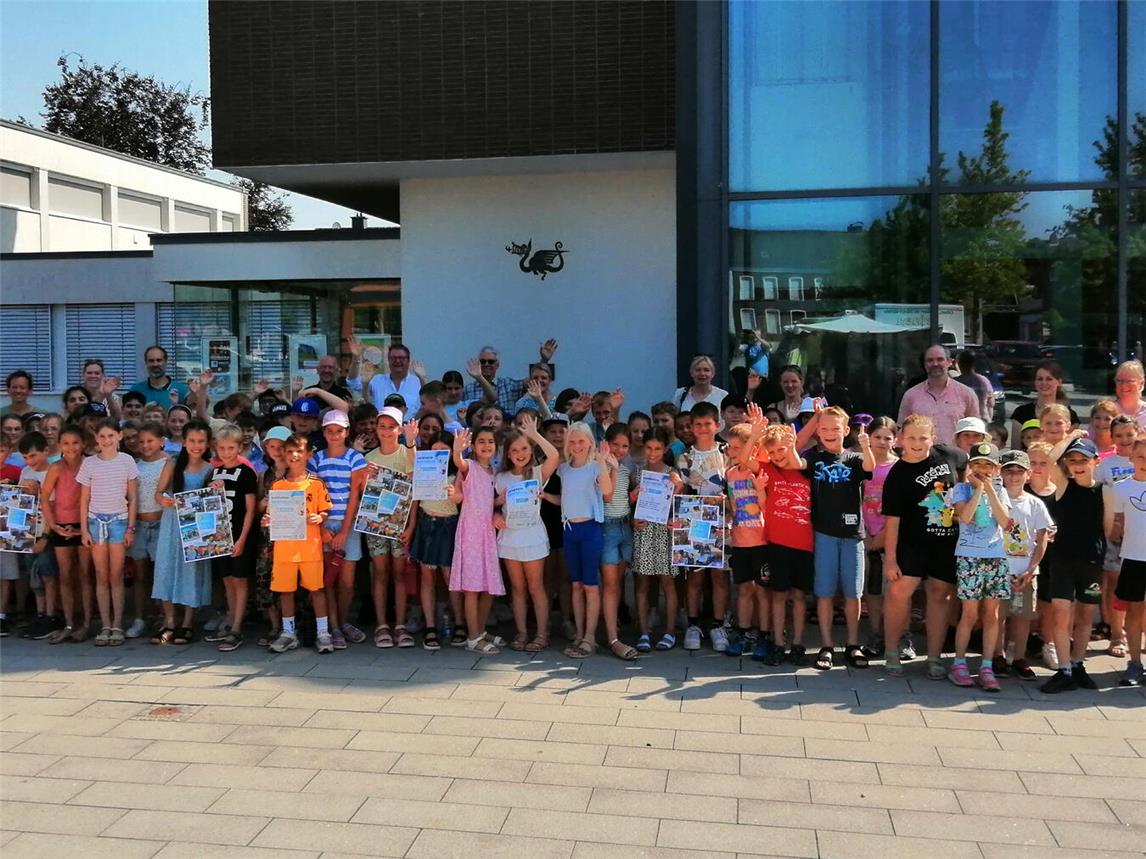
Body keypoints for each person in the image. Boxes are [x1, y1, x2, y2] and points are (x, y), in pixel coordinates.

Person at [881, 414, 965, 678]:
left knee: (940, 595)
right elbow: (892, 522)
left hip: (947, 541)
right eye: (911, 437)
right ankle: (892, 651)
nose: (917, 443)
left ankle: (934, 657)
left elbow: (967, 470)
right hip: (912, 543)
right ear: (901, 439)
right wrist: (891, 559)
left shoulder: (950, 455)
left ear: (934, 437)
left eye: (923, 437)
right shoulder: (896, 475)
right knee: (899, 592)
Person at [800, 406, 874, 670]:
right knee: (824, 593)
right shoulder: (814, 457)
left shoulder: (854, 458)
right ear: (818, 431)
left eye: (835, 428)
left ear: (846, 430)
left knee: (853, 593)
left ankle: (853, 644)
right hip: (823, 534)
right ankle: (827, 644)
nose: (830, 433)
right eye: (824, 428)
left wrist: (865, 446)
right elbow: (792, 457)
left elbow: (869, 467)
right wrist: (809, 424)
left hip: (853, 535)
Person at [1040, 438, 1106, 693]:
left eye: (1083, 460)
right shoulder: (1063, 486)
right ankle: (1064, 668)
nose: (1078, 465)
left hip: (1091, 560)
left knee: (1086, 614)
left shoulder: (1104, 490)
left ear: (1095, 462)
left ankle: (1078, 664)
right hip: (1062, 559)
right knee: (1060, 612)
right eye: (1073, 460)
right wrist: (1070, 438)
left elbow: (1108, 525)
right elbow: (1050, 459)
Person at [947, 443, 1011, 691]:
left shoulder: (1000, 491)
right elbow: (965, 516)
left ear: (996, 468)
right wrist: (978, 490)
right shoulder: (961, 489)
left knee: (992, 614)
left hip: (995, 557)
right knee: (970, 614)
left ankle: (986, 666)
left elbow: (1005, 521)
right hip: (969, 557)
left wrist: (991, 492)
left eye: (988, 465)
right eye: (978, 464)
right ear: (970, 467)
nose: (983, 469)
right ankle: (959, 663)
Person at [494, 414, 560, 653]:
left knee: (536, 587)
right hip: (510, 537)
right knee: (518, 589)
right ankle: (521, 632)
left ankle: (542, 633)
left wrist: (534, 435)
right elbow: (490, 505)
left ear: (530, 450)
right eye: (514, 450)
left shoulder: (537, 473)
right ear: (508, 454)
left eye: (524, 448)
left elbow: (554, 455)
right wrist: (495, 513)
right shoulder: (500, 478)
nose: (520, 453)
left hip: (532, 536)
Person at [265, 433, 334, 654]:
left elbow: (324, 510)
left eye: (299, 451)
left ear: (308, 455)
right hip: (285, 549)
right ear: (284, 455)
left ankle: (323, 633)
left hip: (310, 548)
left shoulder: (316, 484)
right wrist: (267, 521)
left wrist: (319, 518)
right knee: (286, 591)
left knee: (316, 590)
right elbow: (271, 515)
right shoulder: (277, 486)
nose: (294, 455)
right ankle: (288, 632)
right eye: (290, 451)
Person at [308, 410, 368, 650]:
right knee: (327, 581)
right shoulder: (316, 460)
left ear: (346, 432)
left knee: (347, 582)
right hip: (322, 524)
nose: (334, 435)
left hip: (348, 525)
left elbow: (355, 495)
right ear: (324, 432)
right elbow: (313, 495)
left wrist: (344, 531)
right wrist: (322, 529)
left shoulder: (356, 459)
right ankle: (333, 626)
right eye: (330, 431)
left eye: (339, 431)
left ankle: (342, 622)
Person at [150, 420, 214, 645]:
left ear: (207, 444)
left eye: (201, 441)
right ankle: (169, 621)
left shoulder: (210, 469)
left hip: (196, 527)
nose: (196, 445)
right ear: (184, 442)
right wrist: (165, 500)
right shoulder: (172, 464)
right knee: (166, 569)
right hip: (171, 524)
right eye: (192, 441)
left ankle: (187, 623)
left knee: (192, 572)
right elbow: (158, 494)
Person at [77, 418, 138, 647]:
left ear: (119, 436)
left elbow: (132, 498)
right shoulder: (90, 464)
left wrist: (131, 528)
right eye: (102, 436)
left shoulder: (127, 461)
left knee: (116, 574)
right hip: (96, 522)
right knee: (101, 575)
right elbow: (84, 499)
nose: (106, 440)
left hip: (119, 522)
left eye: (111, 435)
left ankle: (118, 624)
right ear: (96, 438)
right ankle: (105, 624)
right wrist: (84, 530)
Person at [558, 422, 616, 658]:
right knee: (576, 584)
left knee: (591, 586)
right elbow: (563, 496)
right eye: (572, 441)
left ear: (591, 443)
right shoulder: (563, 469)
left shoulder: (594, 467)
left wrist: (602, 461)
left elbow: (607, 491)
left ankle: (590, 637)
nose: (576, 446)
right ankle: (580, 633)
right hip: (569, 530)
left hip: (590, 529)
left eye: (581, 441)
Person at [676, 401, 729, 651]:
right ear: (692, 428)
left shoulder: (727, 452)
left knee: (719, 576)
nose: (703, 428)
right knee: (695, 577)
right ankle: (693, 624)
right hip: (694, 521)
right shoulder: (685, 458)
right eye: (698, 425)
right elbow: (681, 490)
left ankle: (718, 625)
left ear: (717, 424)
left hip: (723, 520)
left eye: (708, 424)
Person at [760, 423, 813, 666]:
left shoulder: (805, 470)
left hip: (804, 544)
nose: (778, 456)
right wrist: (757, 429)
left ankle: (798, 643)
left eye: (782, 449)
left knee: (800, 596)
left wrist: (817, 416)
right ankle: (778, 644)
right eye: (773, 452)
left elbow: (800, 438)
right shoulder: (768, 470)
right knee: (778, 595)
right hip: (777, 543)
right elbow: (749, 455)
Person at [997, 449, 1052, 682]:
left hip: (1026, 571)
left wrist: (1032, 569)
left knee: (1022, 617)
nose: (1014, 476)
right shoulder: (995, 499)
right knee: (997, 616)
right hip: (999, 568)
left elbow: (1042, 538)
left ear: (1028, 474)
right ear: (1001, 473)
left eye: (1019, 471)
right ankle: (996, 656)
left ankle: (1019, 657)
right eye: (1009, 471)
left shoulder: (1035, 503)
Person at [364, 407, 417, 648]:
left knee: (399, 574)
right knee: (380, 574)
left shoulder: (408, 454)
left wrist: (412, 525)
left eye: (391, 426)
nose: (386, 431)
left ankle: (400, 625)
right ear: (376, 428)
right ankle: (382, 625)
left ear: (400, 428)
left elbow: (415, 493)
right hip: (375, 525)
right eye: (382, 426)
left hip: (401, 525)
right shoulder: (368, 458)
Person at [451, 426, 506, 654]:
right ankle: (472, 638)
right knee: (473, 588)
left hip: (487, 535)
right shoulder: (470, 466)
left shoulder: (493, 472)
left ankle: (480, 630)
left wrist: (496, 506)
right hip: (471, 534)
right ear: (473, 446)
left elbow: (484, 500)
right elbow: (460, 464)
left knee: (488, 587)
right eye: (481, 441)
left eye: (490, 441)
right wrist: (457, 451)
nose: (486, 445)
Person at [722, 419, 770, 659]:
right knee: (743, 590)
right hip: (740, 541)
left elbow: (766, 505)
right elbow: (732, 506)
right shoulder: (730, 474)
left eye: (738, 447)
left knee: (762, 591)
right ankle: (743, 633)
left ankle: (763, 635)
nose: (732, 452)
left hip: (761, 542)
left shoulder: (758, 470)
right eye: (730, 447)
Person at [40, 426, 93, 643]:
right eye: (66, 443)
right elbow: (45, 498)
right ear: (60, 445)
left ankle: (87, 623)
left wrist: (84, 527)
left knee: (85, 575)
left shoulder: (90, 465)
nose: (71, 447)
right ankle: (69, 623)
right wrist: (53, 525)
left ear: (83, 444)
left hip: (85, 525)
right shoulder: (56, 468)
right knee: (65, 576)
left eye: (75, 442)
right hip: (62, 525)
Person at [209, 424, 259, 652]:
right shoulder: (214, 472)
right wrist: (212, 489)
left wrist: (241, 540)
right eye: (222, 448)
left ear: (239, 447)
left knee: (240, 580)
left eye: (231, 447)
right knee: (227, 579)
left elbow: (250, 509)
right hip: (220, 537)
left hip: (239, 535)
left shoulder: (247, 472)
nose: (226, 452)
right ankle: (231, 619)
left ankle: (237, 626)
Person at [631, 426, 680, 652]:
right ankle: (643, 632)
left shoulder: (673, 473)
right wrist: (633, 514)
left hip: (666, 534)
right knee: (642, 583)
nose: (652, 453)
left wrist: (678, 486)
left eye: (657, 448)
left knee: (667, 583)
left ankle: (669, 632)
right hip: (644, 532)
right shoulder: (637, 474)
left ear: (665, 448)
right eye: (649, 448)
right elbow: (628, 506)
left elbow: (682, 506)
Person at [1095, 414, 1138, 657]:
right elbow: (1098, 498)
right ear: (1111, 438)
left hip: (1141, 533)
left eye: (1129, 434)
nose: (1124, 439)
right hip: (1114, 533)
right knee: (1114, 584)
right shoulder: (1105, 465)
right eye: (1118, 435)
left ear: (1138, 433)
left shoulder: (1142, 459)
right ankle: (1116, 634)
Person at [1107, 438, 1146, 686]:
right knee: (1133, 611)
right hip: (1133, 558)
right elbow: (1116, 526)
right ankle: (1134, 663)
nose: (1145, 462)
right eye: (1141, 456)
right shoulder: (1121, 488)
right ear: (1131, 458)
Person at [126, 422, 169, 639]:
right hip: (139, 524)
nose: (145, 445)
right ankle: (140, 617)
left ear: (161, 441)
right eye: (141, 441)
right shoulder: (133, 464)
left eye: (150, 441)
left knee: (161, 573)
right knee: (140, 575)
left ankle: (164, 616)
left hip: (161, 523)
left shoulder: (168, 463)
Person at [598, 423, 637, 660]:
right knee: (610, 584)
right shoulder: (599, 467)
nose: (620, 450)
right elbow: (608, 494)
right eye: (616, 444)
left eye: (625, 446)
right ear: (606, 443)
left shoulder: (625, 469)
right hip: (607, 528)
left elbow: (627, 497)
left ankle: (613, 626)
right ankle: (612, 637)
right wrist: (610, 467)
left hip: (625, 526)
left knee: (619, 583)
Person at [861, 417, 898, 657]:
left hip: (893, 536)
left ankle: (899, 635)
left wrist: (884, 535)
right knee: (873, 591)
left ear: (896, 439)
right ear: (869, 438)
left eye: (888, 437)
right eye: (878, 437)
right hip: (867, 534)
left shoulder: (899, 467)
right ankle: (875, 634)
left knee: (895, 592)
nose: (882, 442)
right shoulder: (863, 464)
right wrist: (865, 534)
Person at [897, 345, 979, 446]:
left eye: (940, 359)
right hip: (921, 458)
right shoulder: (911, 395)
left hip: (956, 458)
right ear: (925, 364)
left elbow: (976, 431)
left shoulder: (967, 394)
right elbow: (901, 432)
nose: (935, 364)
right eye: (930, 360)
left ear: (949, 362)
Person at [463, 341, 559, 413]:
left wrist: (544, 360)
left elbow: (535, 381)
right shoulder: (468, 389)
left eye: (491, 362)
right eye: (483, 362)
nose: (486, 364)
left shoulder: (509, 385)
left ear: (497, 365)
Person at [1010, 361, 1079, 446]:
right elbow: (1015, 449)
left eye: (1049, 379)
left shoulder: (1071, 416)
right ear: (1035, 382)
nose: (1044, 383)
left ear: (1059, 382)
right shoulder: (1021, 413)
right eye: (1040, 379)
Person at [369, 343, 424, 410]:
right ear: (388, 360)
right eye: (393, 358)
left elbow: (428, 402)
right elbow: (356, 385)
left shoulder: (418, 382)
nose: (397, 361)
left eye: (401, 358)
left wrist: (423, 379)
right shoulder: (377, 380)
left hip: (410, 420)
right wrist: (355, 358)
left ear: (408, 361)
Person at [955, 350, 995, 422]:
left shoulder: (955, 383)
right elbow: (991, 404)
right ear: (974, 364)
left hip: (963, 422)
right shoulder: (984, 381)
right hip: (982, 420)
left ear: (960, 364)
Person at [1112, 359, 1146, 428]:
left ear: (1141, 383)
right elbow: (1091, 438)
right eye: (1119, 380)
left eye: (1130, 381)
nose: (1124, 385)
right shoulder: (1105, 411)